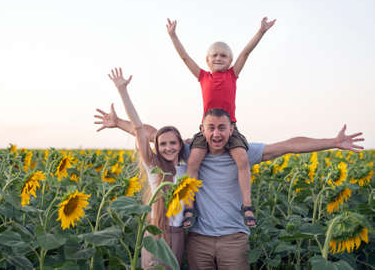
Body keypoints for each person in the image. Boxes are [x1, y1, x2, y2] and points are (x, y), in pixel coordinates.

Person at [95, 106, 364, 269]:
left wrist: (332, 141)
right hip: (198, 238)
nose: (216, 133)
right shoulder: (189, 151)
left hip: (233, 239)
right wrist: (118, 123)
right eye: (210, 128)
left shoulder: (244, 152)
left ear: (231, 128)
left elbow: (288, 145)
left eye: (222, 128)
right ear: (202, 129)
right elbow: (155, 134)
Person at [166, 17, 276, 226]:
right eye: (214, 55)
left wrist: (260, 32)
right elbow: (184, 57)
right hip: (207, 130)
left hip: (229, 129)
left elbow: (246, 52)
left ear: (229, 60)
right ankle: (189, 207)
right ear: (207, 60)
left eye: (223, 55)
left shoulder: (232, 75)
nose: (219, 58)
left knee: (242, 160)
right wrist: (173, 36)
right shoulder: (202, 76)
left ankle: (247, 206)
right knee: (193, 162)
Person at [105, 68, 187, 269]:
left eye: (173, 143)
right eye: (163, 144)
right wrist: (123, 91)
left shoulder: (188, 170)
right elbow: (139, 128)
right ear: (156, 147)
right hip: (156, 232)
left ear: (180, 145)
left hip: (178, 233)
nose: (168, 148)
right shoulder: (154, 167)